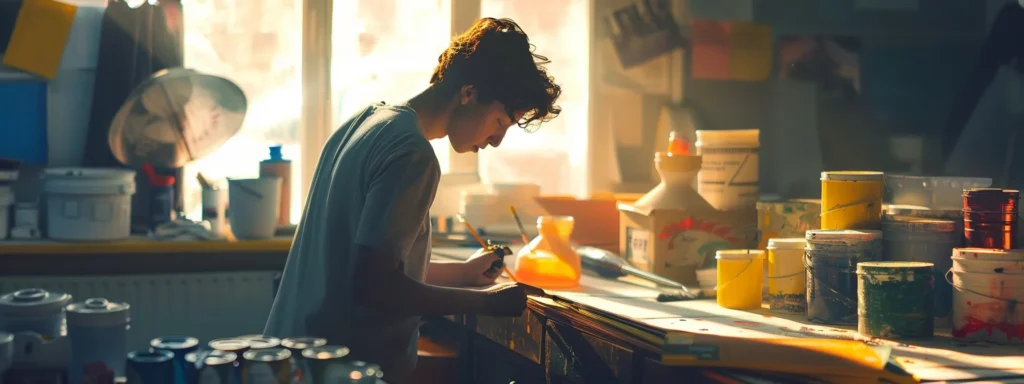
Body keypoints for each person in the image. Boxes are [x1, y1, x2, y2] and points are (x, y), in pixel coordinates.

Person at [264, 17, 561, 383]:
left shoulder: (366, 122)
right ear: (468, 93)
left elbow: (359, 265)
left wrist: (463, 275)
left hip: (292, 362)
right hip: (340, 371)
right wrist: (489, 303)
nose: (496, 141)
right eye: (500, 122)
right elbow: (374, 287)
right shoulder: (413, 155)